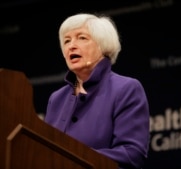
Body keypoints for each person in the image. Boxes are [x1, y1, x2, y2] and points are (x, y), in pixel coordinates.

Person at [44, 13, 150, 169]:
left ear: (103, 46)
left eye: (82, 38)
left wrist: (72, 157)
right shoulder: (57, 99)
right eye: (67, 41)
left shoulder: (126, 89)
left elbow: (132, 154)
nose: (71, 45)